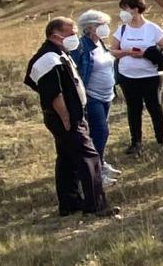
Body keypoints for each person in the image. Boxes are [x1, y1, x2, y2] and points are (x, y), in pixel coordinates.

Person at [25, 17, 117, 218]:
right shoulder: (48, 59)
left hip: (70, 115)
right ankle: (96, 205)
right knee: (90, 157)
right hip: (66, 117)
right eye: (71, 33)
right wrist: (66, 118)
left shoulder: (59, 53)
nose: (75, 36)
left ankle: (70, 203)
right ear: (56, 36)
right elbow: (53, 93)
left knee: (67, 159)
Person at [111, 0, 163, 156]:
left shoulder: (152, 28)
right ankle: (135, 142)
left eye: (125, 9)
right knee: (133, 108)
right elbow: (113, 51)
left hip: (151, 76)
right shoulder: (122, 29)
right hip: (127, 76)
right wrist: (127, 52)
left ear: (136, 9)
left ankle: (161, 139)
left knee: (155, 107)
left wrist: (147, 53)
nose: (123, 12)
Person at [71, 9, 119, 186]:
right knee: (100, 132)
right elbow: (74, 71)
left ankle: (100, 162)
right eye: (100, 25)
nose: (105, 28)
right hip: (92, 97)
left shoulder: (102, 44)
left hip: (107, 95)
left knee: (100, 133)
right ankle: (95, 173)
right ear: (89, 28)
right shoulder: (81, 46)